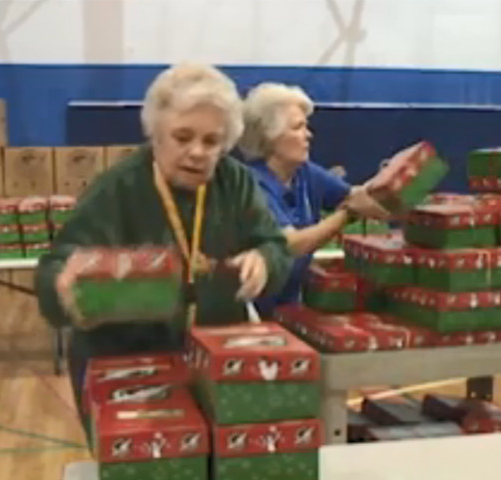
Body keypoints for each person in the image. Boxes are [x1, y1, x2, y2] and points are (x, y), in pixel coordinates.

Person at [35, 63, 294, 434]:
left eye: (211, 142)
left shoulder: (234, 182)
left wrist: (264, 260)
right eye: (182, 137)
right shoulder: (118, 188)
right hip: (127, 368)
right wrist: (64, 286)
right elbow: (54, 268)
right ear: (155, 135)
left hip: (216, 362)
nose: (197, 152)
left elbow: (275, 245)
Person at [237, 82, 390, 316]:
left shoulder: (305, 173)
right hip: (250, 314)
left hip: (290, 310)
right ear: (270, 137)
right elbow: (290, 245)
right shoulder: (252, 185)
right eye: (298, 127)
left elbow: (356, 197)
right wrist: (346, 215)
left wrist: (391, 188)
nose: (308, 135)